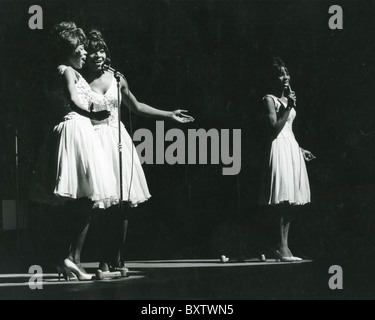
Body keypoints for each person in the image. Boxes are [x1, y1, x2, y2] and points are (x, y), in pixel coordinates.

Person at [83, 29, 194, 274]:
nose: (98, 55)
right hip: (92, 141)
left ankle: (115, 258)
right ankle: (100, 258)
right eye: (92, 51)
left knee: (123, 203)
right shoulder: (80, 80)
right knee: (100, 205)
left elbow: (135, 105)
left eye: (101, 50)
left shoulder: (118, 78)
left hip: (117, 141)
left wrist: (169, 115)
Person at [30, 22, 119, 280]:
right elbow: (72, 99)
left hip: (78, 130)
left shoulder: (67, 71)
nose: (84, 52)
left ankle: (69, 259)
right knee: (85, 197)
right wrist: (94, 113)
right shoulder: (67, 70)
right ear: (69, 49)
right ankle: (71, 257)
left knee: (81, 200)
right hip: (76, 130)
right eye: (80, 47)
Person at [258, 57, 315, 262]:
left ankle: (285, 246)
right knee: (282, 198)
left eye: (287, 73)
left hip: (290, 147)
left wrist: (300, 149)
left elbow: (288, 129)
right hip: (278, 147)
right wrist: (289, 106)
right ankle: (280, 247)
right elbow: (274, 128)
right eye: (281, 74)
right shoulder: (269, 99)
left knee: (290, 200)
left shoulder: (288, 99)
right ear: (274, 78)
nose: (285, 77)